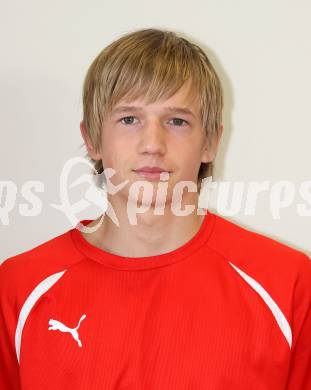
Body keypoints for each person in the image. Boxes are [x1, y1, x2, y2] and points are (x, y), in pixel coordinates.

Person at [0, 28, 310, 390]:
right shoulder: (18, 288)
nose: (152, 144)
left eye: (177, 121)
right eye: (129, 119)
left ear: (210, 142)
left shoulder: (289, 285)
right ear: (92, 138)